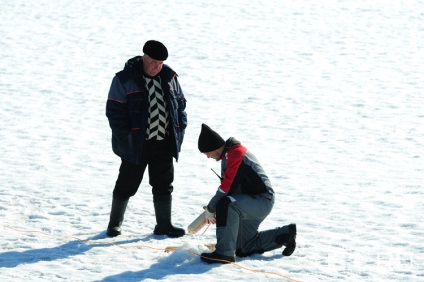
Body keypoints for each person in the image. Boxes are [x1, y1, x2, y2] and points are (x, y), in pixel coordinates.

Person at [105, 40, 187, 238]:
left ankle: (164, 225)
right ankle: (114, 224)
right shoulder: (124, 79)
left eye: (160, 63)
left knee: (164, 184)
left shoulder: (170, 77)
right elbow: (114, 112)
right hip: (136, 145)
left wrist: (179, 131)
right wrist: (127, 139)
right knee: (126, 184)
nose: (156, 66)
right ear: (144, 57)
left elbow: (181, 106)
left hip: (164, 143)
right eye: (153, 62)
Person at [197, 123, 296, 264]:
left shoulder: (236, 153)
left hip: (261, 200)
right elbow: (230, 189)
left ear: (214, 147)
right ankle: (285, 234)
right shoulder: (227, 155)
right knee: (243, 247)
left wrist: (213, 208)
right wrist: (213, 209)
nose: (207, 157)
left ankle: (224, 253)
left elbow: (225, 188)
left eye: (207, 153)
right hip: (250, 202)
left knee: (227, 204)